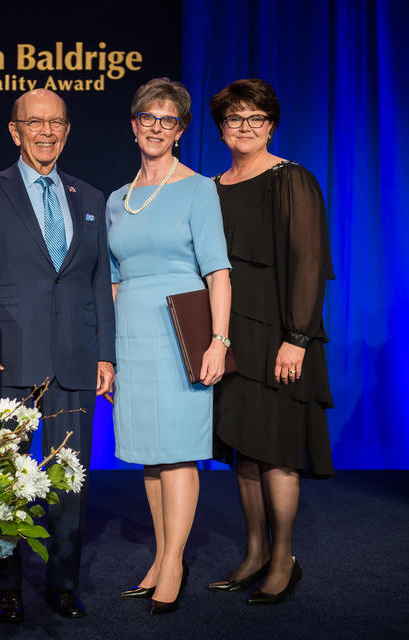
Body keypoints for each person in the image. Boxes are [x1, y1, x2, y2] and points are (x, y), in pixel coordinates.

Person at [0, 88, 115, 623]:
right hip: (8, 360)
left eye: (57, 123)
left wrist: (105, 355)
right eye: (35, 122)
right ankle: (8, 587)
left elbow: (97, 285)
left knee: (69, 481)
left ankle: (63, 584)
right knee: (3, 481)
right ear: (14, 129)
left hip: (74, 359)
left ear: (67, 130)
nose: (46, 131)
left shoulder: (90, 197)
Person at [106, 78, 231, 615]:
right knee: (149, 457)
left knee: (177, 452)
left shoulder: (199, 188)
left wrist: (218, 341)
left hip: (183, 332)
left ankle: (174, 562)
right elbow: (111, 280)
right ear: (133, 126)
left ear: (180, 131)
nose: (157, 127)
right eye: (148, 118)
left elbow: (218, 271)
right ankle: (160, 556)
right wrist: (106, 353)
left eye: (169, 120)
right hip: (131, 332)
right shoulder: (117, 199)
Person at [207, 78, 334, 605]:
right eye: (235, 118)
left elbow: (309, 264)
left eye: (256, 118)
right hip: (231, 335)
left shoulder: (292, 179)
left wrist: (297, 337)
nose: (245, 127)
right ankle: (255, 553)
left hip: (281, 336)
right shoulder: (210, 186)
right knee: (247, 453)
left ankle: (284, 560)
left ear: (271, 125)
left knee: (279, 453)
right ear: (220, 128)